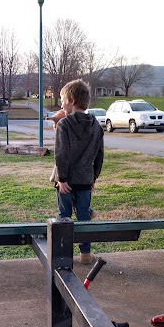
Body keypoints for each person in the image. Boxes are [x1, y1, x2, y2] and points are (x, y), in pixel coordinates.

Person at [53, 79, 104, 265]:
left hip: (66, 183)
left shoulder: (64, 125)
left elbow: (61, 154)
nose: (61, 104)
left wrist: (62, 179)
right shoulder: (97, 126)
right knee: (83, 217)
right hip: (85, 181)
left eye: (63, 100)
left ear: (72, 100)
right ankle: (85, 254)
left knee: (64, 218)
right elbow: (100, 155)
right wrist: (93, 177)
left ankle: (63, 255)